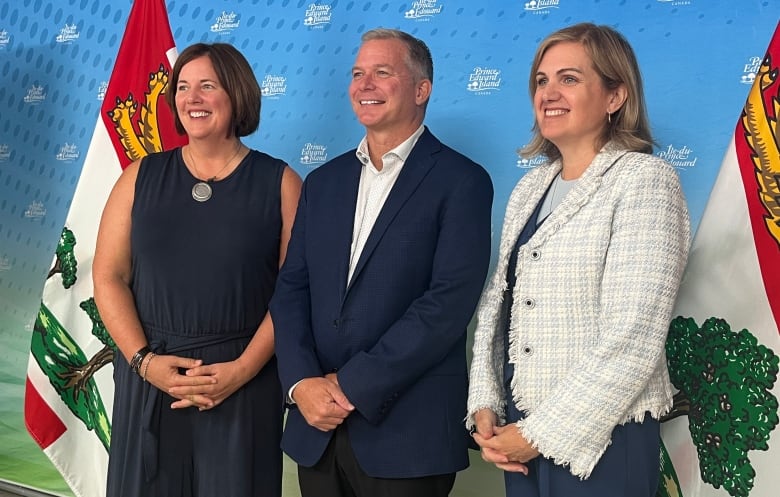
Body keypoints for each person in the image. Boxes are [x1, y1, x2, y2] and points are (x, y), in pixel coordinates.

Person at [466, 23, 690, 497]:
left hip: (604, 436)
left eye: (569, 79)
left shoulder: (645, 180)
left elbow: (635, 333)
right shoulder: (531, 187)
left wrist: (539, 434)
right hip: (519, 434)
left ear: (615, 96)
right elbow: (496, 306)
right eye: (541, 81)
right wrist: (485, 400)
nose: (549, 93)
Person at [269, 28, 493, 497]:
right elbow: (291, 290)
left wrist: (351, 386)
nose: (364, 84)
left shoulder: (462, 181)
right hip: (318, 430)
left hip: (408, 435)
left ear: (421, 88)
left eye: (382, 72)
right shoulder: (324, 181)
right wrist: (301, 384)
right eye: (357, 73)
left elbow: (447, 304)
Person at [93, 42, 302, 497]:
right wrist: (145, 363)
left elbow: (293, 295)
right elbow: (108, 276)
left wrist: (241, 371)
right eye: (183, 87)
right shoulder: (138, 176)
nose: (192, 98)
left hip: (240, 385)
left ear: (238, 94)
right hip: (151, 374)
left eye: (208, 85)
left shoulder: (281, 183)